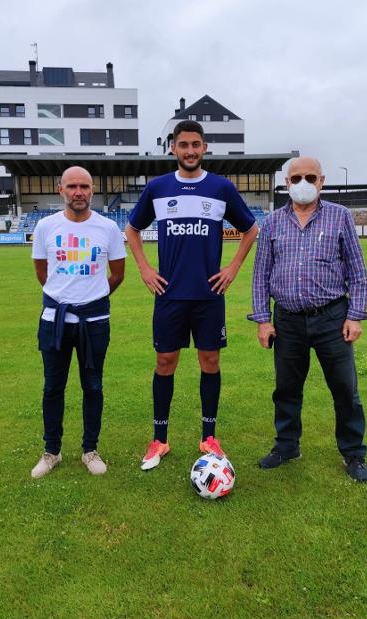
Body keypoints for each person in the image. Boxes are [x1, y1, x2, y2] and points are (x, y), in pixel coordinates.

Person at [126, 120, 258, 470]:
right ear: (173, 148)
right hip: (168, 294)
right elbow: (132, 228)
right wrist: (144, 268)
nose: (189, 151)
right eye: (183, 144)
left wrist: (232, 269)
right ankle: (160, 441)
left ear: (204, 148)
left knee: (209, 362)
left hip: (208, 295)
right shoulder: (157, 188)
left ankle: (209, 437)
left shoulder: (220, 188)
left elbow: (250, 228)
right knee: (164, 363)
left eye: (196, 144)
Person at [248, 156, 367, 482]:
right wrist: (263, 319)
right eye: (296, 178)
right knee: (286, 389)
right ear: (286, 183)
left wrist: (355, 316)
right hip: (287, 321)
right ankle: (286, 446)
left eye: (310, 177)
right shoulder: (273, 222)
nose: (303, 183)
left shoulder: (340, 216)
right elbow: (260, 275)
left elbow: (357, 273)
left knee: (345, 388)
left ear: (321, 182)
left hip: (332, 318)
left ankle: (353, 453)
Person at [30, 166, 126, 478]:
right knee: (52, 387)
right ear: (61, 190)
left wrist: (93, 297)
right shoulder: (46, 227)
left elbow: (118, 273)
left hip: (94, 321)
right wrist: (65, 299)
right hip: (54, 320)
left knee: (93, 386)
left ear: (92, 190)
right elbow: (42, 273)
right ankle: (52, 451)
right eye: (72, 186)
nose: (78, 192)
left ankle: (90, 450)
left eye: (84, 186)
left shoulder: (108, 228)